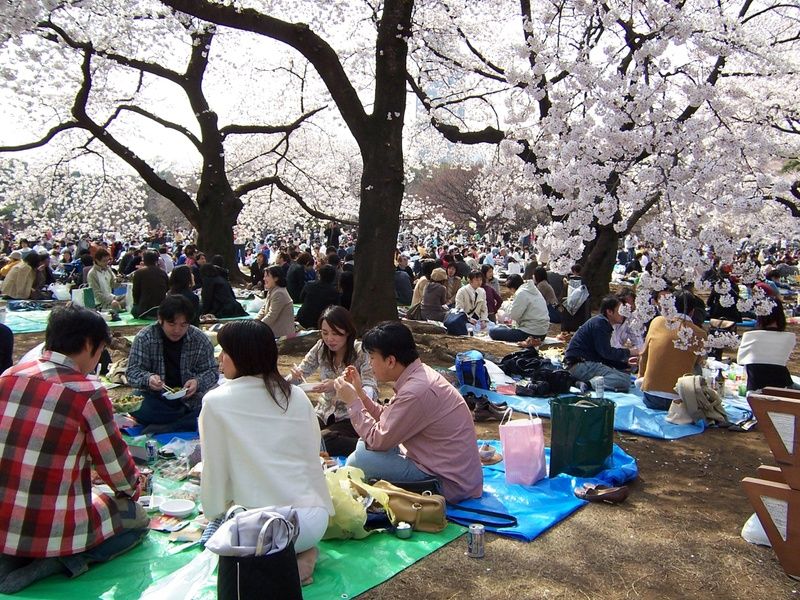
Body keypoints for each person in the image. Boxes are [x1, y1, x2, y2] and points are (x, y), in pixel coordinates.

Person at [0, 306, 146, 593]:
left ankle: (14, 558)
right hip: (51, 526)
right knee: (137, 517)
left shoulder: (8, 376)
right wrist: (134, 488)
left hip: (5, 519)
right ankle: (66, 560)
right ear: (90, 345)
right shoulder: (86, 392)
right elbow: (118, 472)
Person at [199, 320, 333, 584]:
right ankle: (301, 555)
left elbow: (214, 472)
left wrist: (214, 514)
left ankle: (290, 564)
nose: (220, 357)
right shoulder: (296, 396)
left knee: (224, 538)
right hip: (312, 522)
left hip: (261, 529)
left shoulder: (215, 402)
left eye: (224, 350)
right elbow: (311, 458)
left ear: (240, 356)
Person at [334, 321, 483, 502]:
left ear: (390, 361)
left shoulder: (416, 391)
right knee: (361, 449)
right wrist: (360, 394)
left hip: (446, 483)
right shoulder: (418, 376)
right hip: (446, 470)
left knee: (359, 461)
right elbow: (388, 419)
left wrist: (353, 402)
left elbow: (378, 440)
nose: (370, 364)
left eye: (372, 358)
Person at [290, 306, 377, 456]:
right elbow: (300, 373)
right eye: (325, 333)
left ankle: (366, 445)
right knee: (298, 435)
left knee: (324, 441)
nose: (329, 339)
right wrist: (294, 377)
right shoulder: (321, 348)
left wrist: (337, 385)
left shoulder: (361, 352)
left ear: (347, 331)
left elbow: (371, 389)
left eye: (335, 333)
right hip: (324, 412)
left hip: (350, 416)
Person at [126, 295, 218, 433]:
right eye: (172, 324)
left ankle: (168, 426)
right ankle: (185, 422)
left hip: (191, 400)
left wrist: (197, 382)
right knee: (137, 404)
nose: (177, 330)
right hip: (156, 399)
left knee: (213, 401)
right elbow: (132, 371)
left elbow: (212, 371)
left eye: (183, 325)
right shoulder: (145, 338)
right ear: (160, 319)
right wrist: (149, 379)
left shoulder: (200, 339)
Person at [637, 291, 708, 410]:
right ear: (692, 311)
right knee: (697, 367)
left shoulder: (657, 322)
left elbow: (644, 354)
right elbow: (699, 362)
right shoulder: (700, 333)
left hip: (651, 396)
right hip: (681, 400)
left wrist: (641, 377)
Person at [563, 295, 639, 392]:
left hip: (583, 364)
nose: (623, 314)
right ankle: (587, 384)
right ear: (609, 312)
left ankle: (583, 382)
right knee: (624, 380)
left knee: (624, 374)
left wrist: (624, 363)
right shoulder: (600, 324)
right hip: (579, 365)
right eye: (620, 310)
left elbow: (602, 355)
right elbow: (606, 353)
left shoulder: (602, 323)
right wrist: (630, 352)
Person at [737, 299, 797, 392]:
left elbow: (740, 360)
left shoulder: (749, 336)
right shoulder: (789, 337)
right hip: (782, 388)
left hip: (754, 390)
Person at [489, 274, 550, 342]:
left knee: (493, 331)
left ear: (512, 288)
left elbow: (513, 315)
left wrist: (505, 305)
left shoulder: (521, 293)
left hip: (530, 333)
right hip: (542, 333)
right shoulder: (533, 290)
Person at [296, 264, 341, 329]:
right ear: (333, 277)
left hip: (302, 319)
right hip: (320, 322)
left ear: (319, 275)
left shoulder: (309, 285)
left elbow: (301, 298)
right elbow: (335, 310)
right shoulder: (334, 292)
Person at [256, 265, 296, 338]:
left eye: (267, 276)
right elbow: (264, 308)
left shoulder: (279, 293)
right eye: (264, 276)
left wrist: (257, 327)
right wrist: (255, 321)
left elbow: (272, 315)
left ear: (276, 278)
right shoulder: (272, 290)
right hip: (274, 331)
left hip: (281, 334)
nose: (264, 279)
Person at [131, 250, 169, 319]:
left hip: (145, 310)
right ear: (157, 261)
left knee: (133, 310)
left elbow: (135, 292)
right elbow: (167, 288)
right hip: (161, 309)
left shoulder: (139, 273)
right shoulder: (163, 272)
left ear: (144, 260)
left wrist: (136, 304)